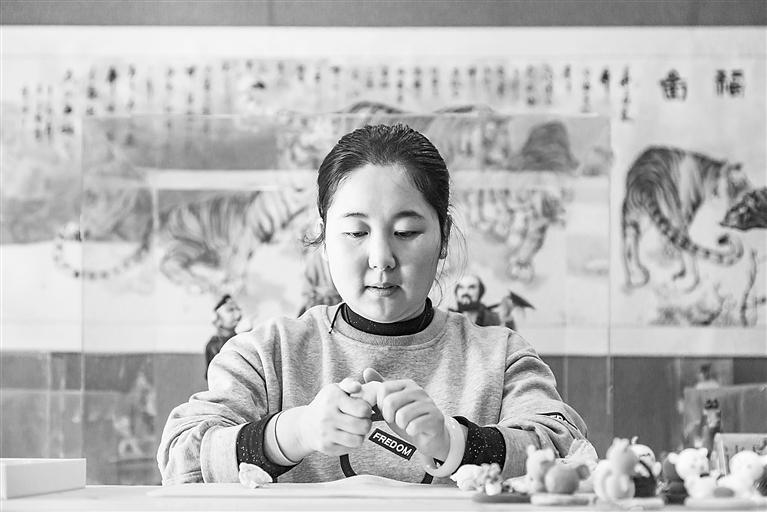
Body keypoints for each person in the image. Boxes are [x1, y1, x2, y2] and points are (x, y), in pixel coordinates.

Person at [158, 124, 587, 485]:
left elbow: (569, 452)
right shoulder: (266, 354)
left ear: (443, 238)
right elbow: (181, 460)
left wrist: (456, 442)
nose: (381, 258)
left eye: (406, 232)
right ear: (324, 239)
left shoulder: (500, 356)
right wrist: (293, 433)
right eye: (356, 233)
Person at [204, 294, 242, 380]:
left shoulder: (242, 339)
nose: (238, 314)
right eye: (230, 310)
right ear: (216, 317)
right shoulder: (214, 345)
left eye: (238, 309)